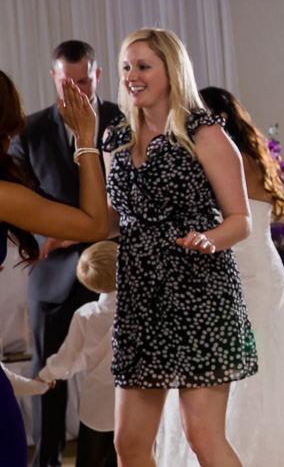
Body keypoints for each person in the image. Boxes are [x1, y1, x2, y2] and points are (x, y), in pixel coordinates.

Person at [101, 28, 256, 467]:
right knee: (129, 445)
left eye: (143, 66)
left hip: (200, 294)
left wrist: (210, 238)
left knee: (203, 438)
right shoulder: (115, 138)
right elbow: (113, 217)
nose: (132, 75)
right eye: (126, 67)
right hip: (140, 299)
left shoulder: (203, 133)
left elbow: (240, 220)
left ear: (172, 71)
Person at [155, 86, 284, 466]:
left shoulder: (216, 159)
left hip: (236, 274)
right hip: (266, 273)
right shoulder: (255, 156)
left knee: (225, 371)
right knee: (268, 368)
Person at [7, 40, 122, 467]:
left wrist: (86, 231)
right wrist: (49, 236)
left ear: (98, 77)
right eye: (66, 81)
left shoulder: (123, 122)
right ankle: (48, 459)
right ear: (54, 78)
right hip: (52, 274)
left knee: (122, 376)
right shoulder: (29, 130)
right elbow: (19, 205)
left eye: (84, 80)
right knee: (49, 374)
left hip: (115, 269)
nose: (76, 88)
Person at [37, 241, 118, 467]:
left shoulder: (86, 315)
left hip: (95, 404)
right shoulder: (140, 311)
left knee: (90, 459)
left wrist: (46, 374)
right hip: (131, 403)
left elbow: (70, 358)